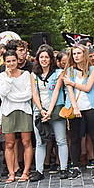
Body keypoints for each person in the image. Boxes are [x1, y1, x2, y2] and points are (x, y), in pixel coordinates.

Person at [63, 44, 94, 176]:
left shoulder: (92, 69)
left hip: (90, 106)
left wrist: (73, 83)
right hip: (75, 108)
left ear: (84, 54)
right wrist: (75, 107)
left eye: (79, 53)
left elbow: (88, 88)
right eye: (74, 54)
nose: (76, 56)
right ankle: (75, 167)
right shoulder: (69, 70)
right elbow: (69, 91)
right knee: (75, 138)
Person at [30, 45, 69, 181]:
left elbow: (56, 91)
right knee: (40, 141)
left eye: (46, 57)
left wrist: (50, 111)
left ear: (51, 59)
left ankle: (63, 168)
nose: (44, 59)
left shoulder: (58, 73)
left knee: (61, 140)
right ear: (37, 59)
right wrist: (41, 110)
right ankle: (39, 171)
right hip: (40, 111)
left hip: (56, 109)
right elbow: (34, 93)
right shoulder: (33, 74)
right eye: (41, 57)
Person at [0, 51, 35, 183]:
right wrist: (8, 78)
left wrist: (13, 97)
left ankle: (25, 172)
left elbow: (28, 94)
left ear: (18, 60)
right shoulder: (1, 76)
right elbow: (3, 92)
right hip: (7, 111)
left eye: (13, 60)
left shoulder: (26, 74)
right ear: (5, 62)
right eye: (8, 61)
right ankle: (11, 173)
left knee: (26, 142)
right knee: (9, 144)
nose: (11, 63)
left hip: (24, 110)